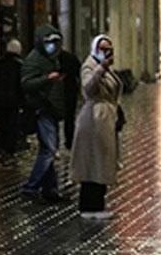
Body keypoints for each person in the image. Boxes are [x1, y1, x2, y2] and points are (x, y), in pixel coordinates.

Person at [70, 34, 123, 219]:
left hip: (105, 119)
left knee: (102, 162)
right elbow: (88, 88)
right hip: (94, 120)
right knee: (93, 163)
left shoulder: (107, 69)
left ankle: (98, 204)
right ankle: (89, 207)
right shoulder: (90, 66)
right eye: (103, 49)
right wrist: (101, 68)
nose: (106, 53)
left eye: (109, 49)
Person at [21, 25, 72, 202]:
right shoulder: (34, 60)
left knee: (48, 147)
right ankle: (31, 186)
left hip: (51, 109)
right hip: (42, 108)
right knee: (49, 150)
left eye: (54, 42)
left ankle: (50, 189)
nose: (52, 46)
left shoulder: (52, 59)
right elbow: (27, 84)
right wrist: (47, 79)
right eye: (48, 42)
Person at [0, 38, 25, 154]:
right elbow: (22, 84)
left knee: (3, 122)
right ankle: (10, 146)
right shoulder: (20, 65)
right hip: (14, 100)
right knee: (12, 123)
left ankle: (3, 144)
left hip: (0, 99)